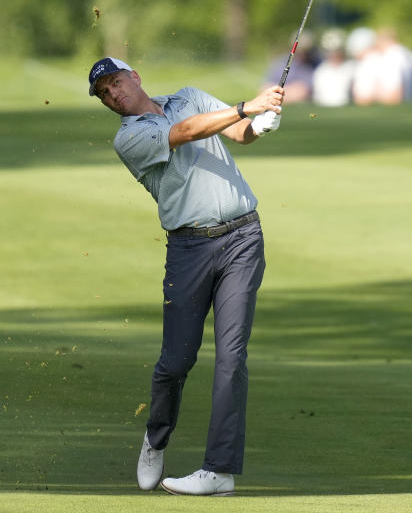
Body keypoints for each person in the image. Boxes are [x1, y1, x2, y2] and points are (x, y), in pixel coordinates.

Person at [87, 57, 282, 497]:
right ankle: (156, 438)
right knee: (176, 362)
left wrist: (259, 124)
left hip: (243, 237)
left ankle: (219, 469)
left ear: (135, 76)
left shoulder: (189, 97)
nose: (113, 94)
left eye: (116, 83)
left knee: (232, 355)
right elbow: (185, 133)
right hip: (188, 248)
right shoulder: (130, 138)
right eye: (104, 93)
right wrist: (247, 107)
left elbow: (236, 132)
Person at [311, 28, 353, 106]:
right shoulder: (321, 71)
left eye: (336, 50)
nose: (333, 54)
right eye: (330, 51)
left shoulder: (351, 68)